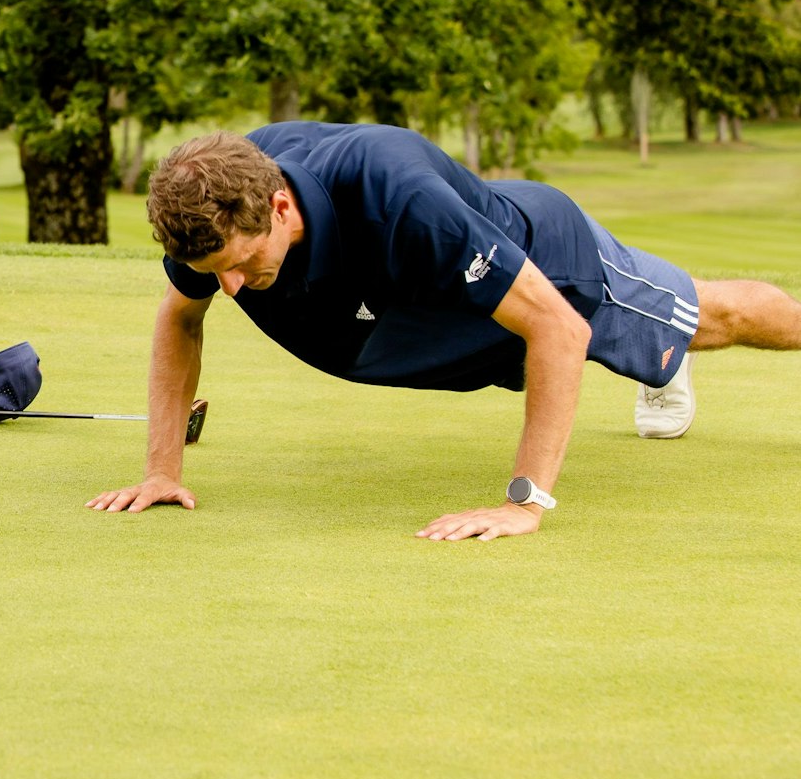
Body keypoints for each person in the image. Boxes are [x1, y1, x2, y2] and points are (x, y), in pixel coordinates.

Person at [88, 122, 801, 540]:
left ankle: (663, 354)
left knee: (712, 317)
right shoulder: (211, 202)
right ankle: (658, 361)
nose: (232, 288)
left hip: (551, 270)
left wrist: (524, 503)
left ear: (279, 207)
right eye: (217, 273)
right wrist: (162, 469)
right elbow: (180, 316)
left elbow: (555, 328)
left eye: (243, 265)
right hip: (429, 315)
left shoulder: (399, 196)